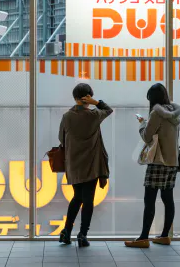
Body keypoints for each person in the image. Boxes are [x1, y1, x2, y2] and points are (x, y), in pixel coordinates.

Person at [125, 83, 180, 248]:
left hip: (159, 161)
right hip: (172, 162)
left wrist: (142, 123)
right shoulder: (175, 114)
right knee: (167, 198)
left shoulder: (157, 114)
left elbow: (147, 136)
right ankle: (165, 236)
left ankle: (143, 238)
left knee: (149, 200)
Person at [58, 83, 113, 247]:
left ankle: (66, 231)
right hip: (91, 164)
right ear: (89, 97)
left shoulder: (67, 116)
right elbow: (108, 110)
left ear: (75, 97)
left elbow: (61, 138)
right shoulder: (94, 115)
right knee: (88, 199)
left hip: (74, 163)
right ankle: (82, 235)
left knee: (77, 197)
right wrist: (96, 102)